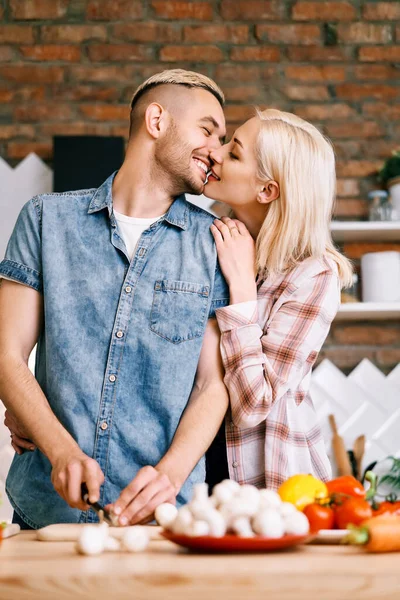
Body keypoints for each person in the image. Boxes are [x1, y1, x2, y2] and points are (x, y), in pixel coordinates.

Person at [0, 69, 231, 530]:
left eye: (223, 140)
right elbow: (7, 354)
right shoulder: (46, 221)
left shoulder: (214, 242)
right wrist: (61, 451)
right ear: (157, 120)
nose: (217, 151)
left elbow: (213, 384)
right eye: (208, 130)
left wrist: (170, 476)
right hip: (50, 513)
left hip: (167, 520)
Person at [204, 109, 353, 488]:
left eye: (234, 153)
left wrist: (240, 290)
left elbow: (255, 405)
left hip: (270, 486)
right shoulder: (207, 241)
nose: (215, 153)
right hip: (191, 476)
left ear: (267, 190)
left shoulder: (314, 275)